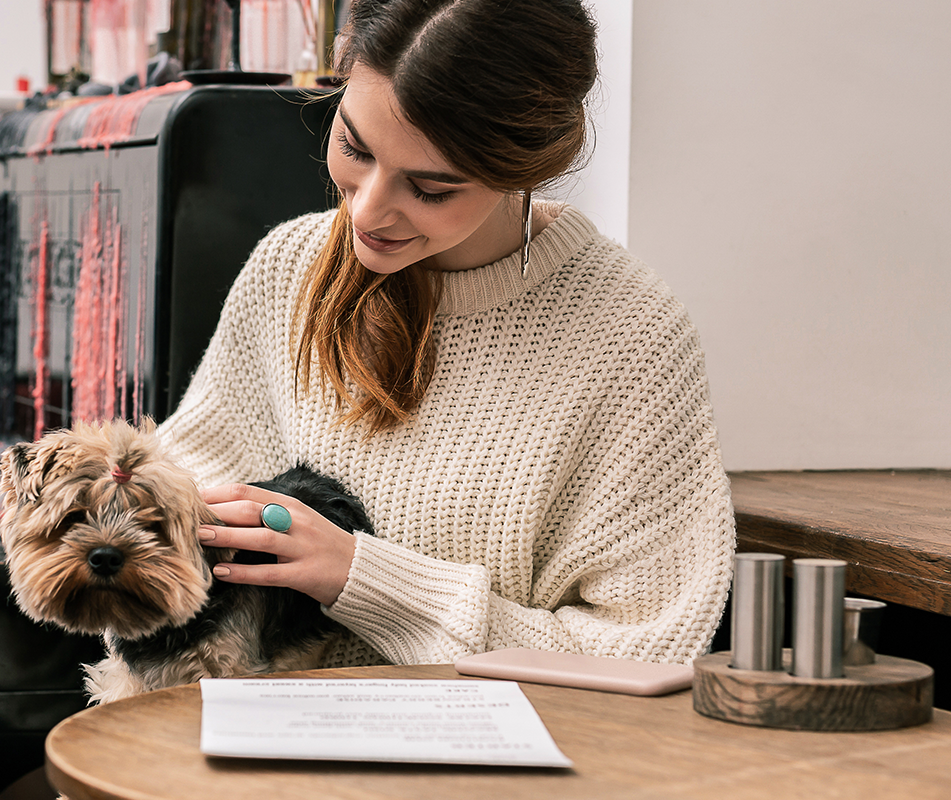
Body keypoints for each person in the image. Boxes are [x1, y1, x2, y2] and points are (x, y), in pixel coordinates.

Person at [154, 0, 736, 668]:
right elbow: (174, 517)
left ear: (524, 167)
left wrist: (366, 580)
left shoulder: (631, 338)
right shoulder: (291, 268)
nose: (367, 210)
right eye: (354, 147)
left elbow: (641, 651)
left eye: (429, 188)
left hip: (503, 760)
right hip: (257, 742)